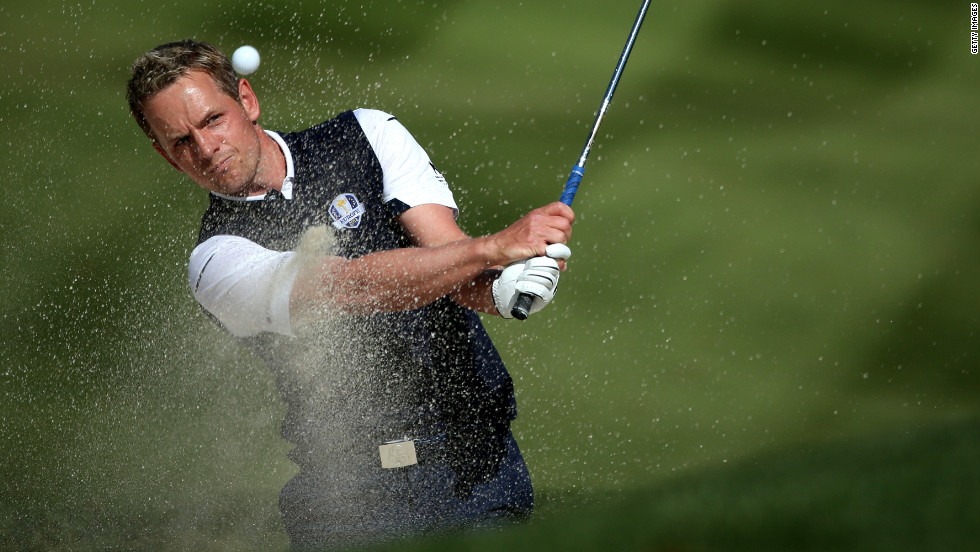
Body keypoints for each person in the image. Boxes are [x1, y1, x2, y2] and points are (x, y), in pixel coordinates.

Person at [126, 39, 574, 549]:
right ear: (165, 156)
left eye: (212, 120)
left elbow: (458, 267)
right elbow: (352, 287)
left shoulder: (365, 134)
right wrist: (494, 248)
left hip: (481, 472)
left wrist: (511, 285)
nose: (206, 149)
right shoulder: (216, 261)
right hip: (353, 504)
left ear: (246, 101)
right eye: (181, 141)